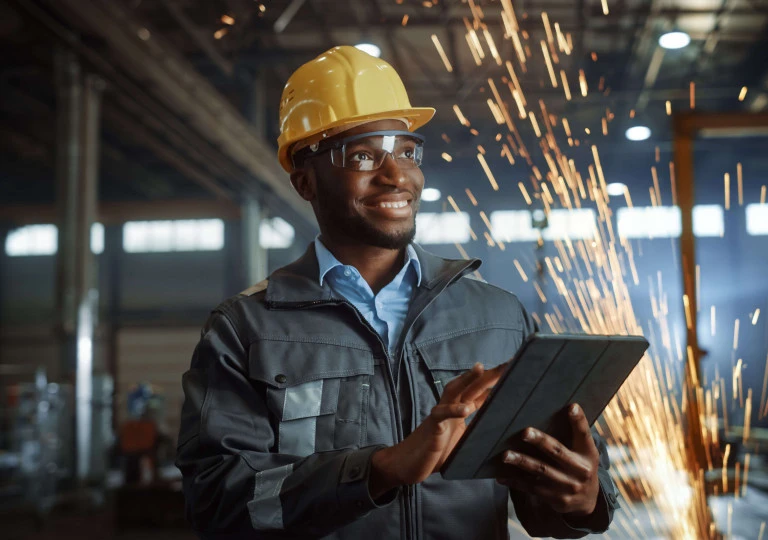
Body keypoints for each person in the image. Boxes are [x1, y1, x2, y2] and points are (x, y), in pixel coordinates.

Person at [176, 46, 619, 539]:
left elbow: (545, 495)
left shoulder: (497, 317)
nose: (397, 176)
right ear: (305, 181)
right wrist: (381, 470)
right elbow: (219, 507)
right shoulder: (246, 329)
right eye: (363, 154)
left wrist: (582, 500)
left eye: (407, 152)